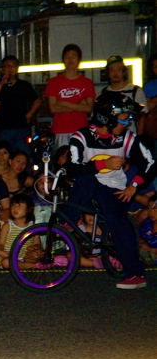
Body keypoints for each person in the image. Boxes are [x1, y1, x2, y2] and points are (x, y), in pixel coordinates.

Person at [64, 92, 155, 289]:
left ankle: (135, 273)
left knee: (117, 220)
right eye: (124, 118)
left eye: (130, 118)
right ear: (108, 117)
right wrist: (102, 164)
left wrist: (134, 186)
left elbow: (151, 163)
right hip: (86, 189)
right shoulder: (82, 136)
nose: (128, 123)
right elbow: (72, 167)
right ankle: (67, 222)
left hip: (114, 189)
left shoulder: (127, 138)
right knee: (87, 180)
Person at [44, 44, 96, 150]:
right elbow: (53, 108)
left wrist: (64, 103)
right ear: (63, 60)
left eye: (74, 56)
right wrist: (78, 105)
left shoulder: (87, 83)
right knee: (62, 161)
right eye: (67, 57)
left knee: (82, 162)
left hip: (81, 130)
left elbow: (88, 108)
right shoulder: (54, 82)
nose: (70, 60)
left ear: (79, 59)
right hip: (60, 130)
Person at [0, 55, 40, 155]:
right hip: (2, 127)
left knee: (22, 155)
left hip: (21, 127)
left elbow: (37, 101)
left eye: (13, 66)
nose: (10, 69)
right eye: (7, 66)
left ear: (17, 69)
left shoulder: (24, 85)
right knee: (4, 156)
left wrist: (29, 115)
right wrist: (2, 84)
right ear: (2, 69)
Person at [101, 55, 148, 134]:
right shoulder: (103, 93)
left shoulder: (136, 91)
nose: (115, 73)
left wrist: (139, 138)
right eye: (112, 70)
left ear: (124, 71)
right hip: (110, 139)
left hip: (131, 137)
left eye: (119, 69)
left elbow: (142, 117)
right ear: (107, 73)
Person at [0, 193, 35, 270]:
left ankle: (23, 265)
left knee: (36, 255)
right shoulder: (8, 225)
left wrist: (35, 249)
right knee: (6, 262)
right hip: (10, 257)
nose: (15, 208)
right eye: (13, 205)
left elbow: (37, 243)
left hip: (26, 257)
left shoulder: (32, 226)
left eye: (19, 205)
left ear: (28, 209)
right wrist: (0, 250)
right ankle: (27, 266)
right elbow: (1, 243)